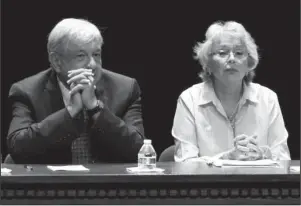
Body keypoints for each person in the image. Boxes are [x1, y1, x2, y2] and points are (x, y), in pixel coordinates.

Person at [6, 18, 145, 164]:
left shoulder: (125, 88)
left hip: (109, 185)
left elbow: (139, 150)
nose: (92, 64)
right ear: (57, 62)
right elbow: (17, 148)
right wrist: (69, 113)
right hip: (52, 185)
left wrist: (95, 108)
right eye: (81, 56)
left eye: (96, 55)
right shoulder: (27, 91)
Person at [172, 21, 291, 162]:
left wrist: (262, 155)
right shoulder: (189, 99)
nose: (232, 59)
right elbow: (184, 163)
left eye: (239, 53)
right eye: (223, 53)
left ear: (249, 63)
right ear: (207, 63)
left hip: (258, 183)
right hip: (208, 184)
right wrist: (226, 158)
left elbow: (284, 159)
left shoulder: (268, 98)